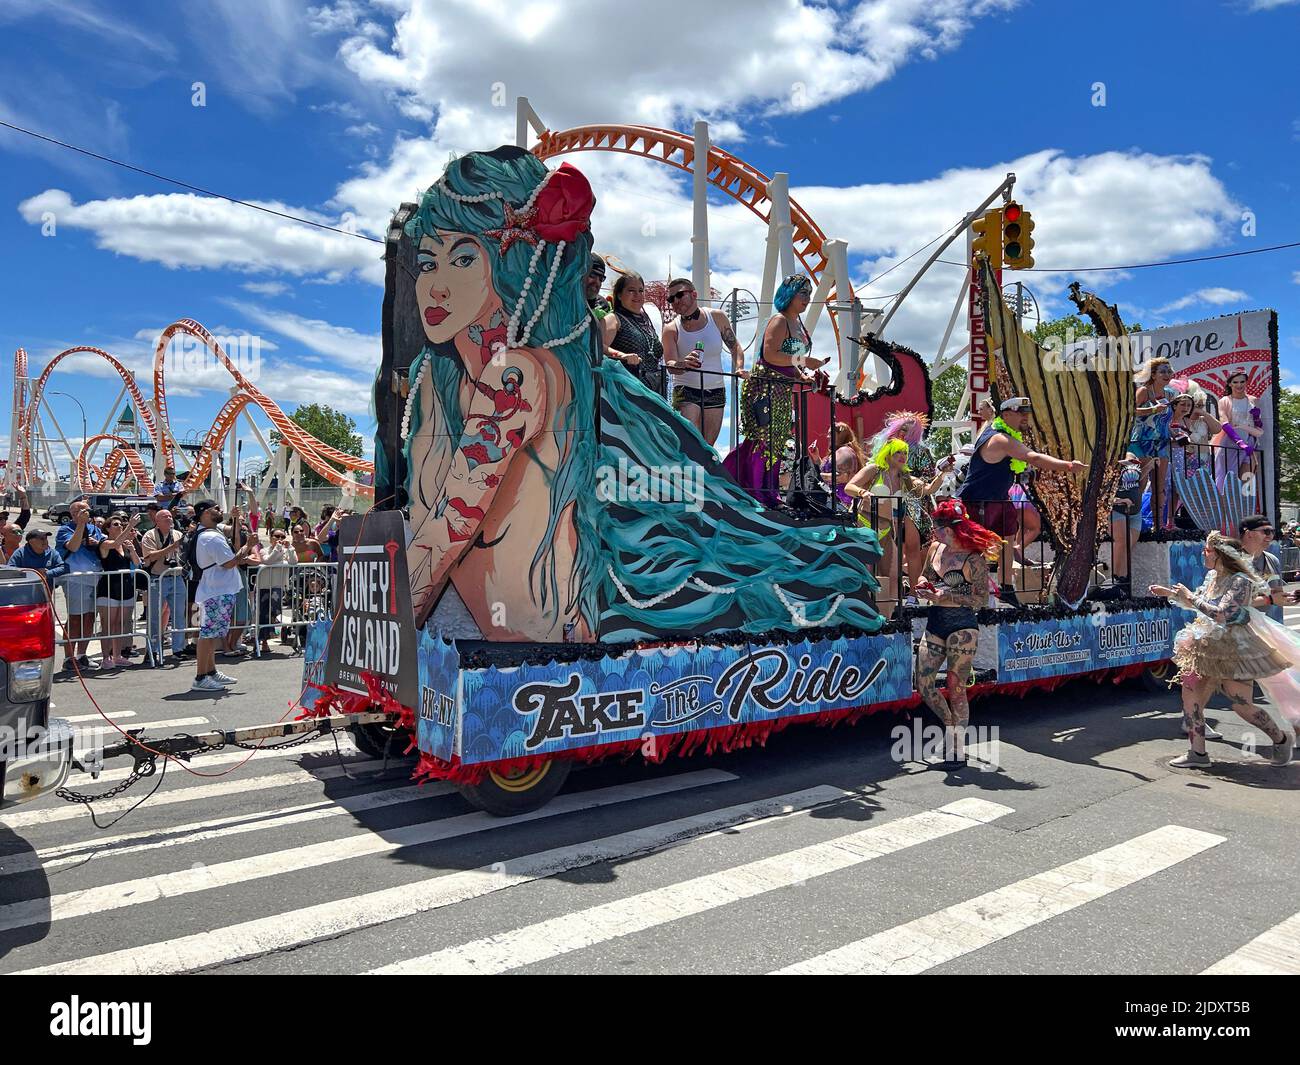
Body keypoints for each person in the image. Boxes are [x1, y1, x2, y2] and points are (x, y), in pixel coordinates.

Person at [393, 147, 884, 641]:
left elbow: (444, 534)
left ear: (513, 263)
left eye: (461, 259)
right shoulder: (438, 378)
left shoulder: (516, 377)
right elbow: (427, 526)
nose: (434, 286)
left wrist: (372, 641)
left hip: (542, 640)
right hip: (492, 635)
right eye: (429, 262)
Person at [1151, 532, 1295, 768]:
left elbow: (1221, 615)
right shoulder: (1212, 575)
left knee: (1241, 705)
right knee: (1190, 694)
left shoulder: (1241, 581)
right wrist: (1172, 594)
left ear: (1219, 555)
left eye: (1207, 550)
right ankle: (1198, 753)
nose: (1203, 554)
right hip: (1204, 645)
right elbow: (1199, 603)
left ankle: (1280, 738)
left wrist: (1189, 596)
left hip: (1233, 649)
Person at [958, 396, 1087, 607]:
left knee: (1008, 536)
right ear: (1006, 415)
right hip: (978, 501)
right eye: (1022, 414)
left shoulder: (1009, 436)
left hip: (999, 499)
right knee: (976, 548)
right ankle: (974, 592)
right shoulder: (1000, 438)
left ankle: (1006, 587)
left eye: (1027, 414)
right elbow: (1033, 457)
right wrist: (1069, 466)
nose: (1026, 418)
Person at [723, 273, 829, 507]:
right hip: (765, 389)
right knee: (763, 442)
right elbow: (770, 355)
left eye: (809, 294)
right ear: (789, 294)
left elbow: (792, 364)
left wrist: (807, 376)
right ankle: (756, 492)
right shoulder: (779, 320)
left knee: (776, 444)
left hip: (782, 391)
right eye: (802, 293)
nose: (807, 298)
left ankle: (769, 493)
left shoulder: (798, 324)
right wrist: (804, 360)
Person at [913, 499, 998, 770]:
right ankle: (950, 725)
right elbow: (924, 576)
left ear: (951, 529)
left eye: (938, 529)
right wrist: (923, 585)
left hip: (962, 625)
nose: (934, 533)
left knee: (956, 688)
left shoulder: (973, 559)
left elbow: (982, 598)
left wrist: (945, 594)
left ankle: (957, 749)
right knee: (924, 685)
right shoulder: (936, 549)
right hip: (935, 621)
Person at [844, 438, 946, 609]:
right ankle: (863, 610)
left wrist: (942, 474)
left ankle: (889, 615)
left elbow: (928, 489)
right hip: (865, 527)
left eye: (905, 453)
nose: (902, 456)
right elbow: (849, 487)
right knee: (867, 573)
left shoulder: (905, 478)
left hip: (887, 531)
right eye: (898, 452)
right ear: (888, 453)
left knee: (892, 575)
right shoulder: (874, 470)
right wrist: (863, 492)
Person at [661, 277, 746, 445]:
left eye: (679, 295)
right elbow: (669, 364)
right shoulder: (671, 328)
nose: (675, 301)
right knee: (691, 444)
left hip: (715, 389)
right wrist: (683, 364)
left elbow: (735, 347)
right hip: (685, 389)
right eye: (671, 299)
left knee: (708, 448)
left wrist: (739, 368)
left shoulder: (717, 317)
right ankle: (685, 471)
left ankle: (704, 471)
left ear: (694, 294)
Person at [190, 499, 253, 692]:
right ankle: (201, 677)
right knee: (208, 634)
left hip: (219, 590)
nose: (220, 510)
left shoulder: (211, 533)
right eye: (216, 508)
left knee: (213, 633)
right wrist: (248, 545)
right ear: (205, 513)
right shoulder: (211, 537)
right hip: (216, 591)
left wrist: (235, 520)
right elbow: (229, 562)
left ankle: (211, 671)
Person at [54, 499, 105, 672]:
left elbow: (106, 547)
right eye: (82, 511)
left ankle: (82, 655)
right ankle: (69, 658)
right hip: (75, 578)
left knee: (90, 617)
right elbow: (73, 547)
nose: (86, 513)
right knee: (75, 618)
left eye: (87, 511)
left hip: (94, 577)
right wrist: (81, 526)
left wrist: (96, 543)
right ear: (73, 514)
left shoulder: (96, 530)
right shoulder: (64, 529)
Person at [95, 513, 142, 667]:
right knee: (108, 624)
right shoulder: (104, 543)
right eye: (115, 524)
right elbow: (114, 544)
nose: (120, 526)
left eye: (121, 524)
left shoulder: (125, 544)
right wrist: (130, 526)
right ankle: (105, 658)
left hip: (126, 586)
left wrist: (133, 548)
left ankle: (117, 655)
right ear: (107, 528)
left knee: (121, 623)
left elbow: (136, 562)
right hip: (109, 587)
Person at [141, 506, 187, 661]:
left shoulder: (178, 534)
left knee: (179, 615)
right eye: (165, 517)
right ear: (157, 521)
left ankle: (178, 649)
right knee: (154, 617)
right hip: (158, 578)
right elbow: (150, 556)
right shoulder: (149, 535)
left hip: (177, 577)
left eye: (170, 517)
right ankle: (152, 649)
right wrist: (171, 547)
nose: (169, 519)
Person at [607, 271, 664, 393]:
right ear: (619, 295)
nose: (637, 295)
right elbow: (597, 346)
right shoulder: (614, 319)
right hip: (626, 391)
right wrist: (622, 355)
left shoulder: (648, 322)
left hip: (656, 389)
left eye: (641, 290)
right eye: (631, 290)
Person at [1214, 371, 1264, 488]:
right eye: (1235, 382)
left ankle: (1243, 506)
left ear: (1246, 383)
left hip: (1250, 442)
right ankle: (1224, 504)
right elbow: (1225, 424)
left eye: (1242, 381)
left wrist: (1256, 417)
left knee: (1247, 480)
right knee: (1227, 478)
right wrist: (1240, 442)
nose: (1239, 385)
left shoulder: (1253, 400)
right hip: (1231, 442)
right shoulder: (1224, 401)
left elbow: (1258, 426)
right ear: (1230, 384)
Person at [1107, 456, 1144, 595]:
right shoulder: (1111, 467)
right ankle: (1115, 579)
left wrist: (1150, 465)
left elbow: (1137, 482)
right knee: (1122, 541)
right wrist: (1120, 500)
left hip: (1135, 512)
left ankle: (1123, 581)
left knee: (1128, 545)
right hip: (1117, 509)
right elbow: (1103, 494)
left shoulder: (1135, 463)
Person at [256, 528, 294, 655]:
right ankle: (263, 641)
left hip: (278, 586)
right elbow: (267, 560)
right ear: (270, 537)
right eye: (277, 536)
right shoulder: (263, 550)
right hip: (264, 586)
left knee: (276, 613)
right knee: (263, 614)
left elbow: (294, 562)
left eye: (282, 536)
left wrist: (291, 548)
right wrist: (277, 549)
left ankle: (278, 630)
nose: (280, 539)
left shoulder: (285, 550)